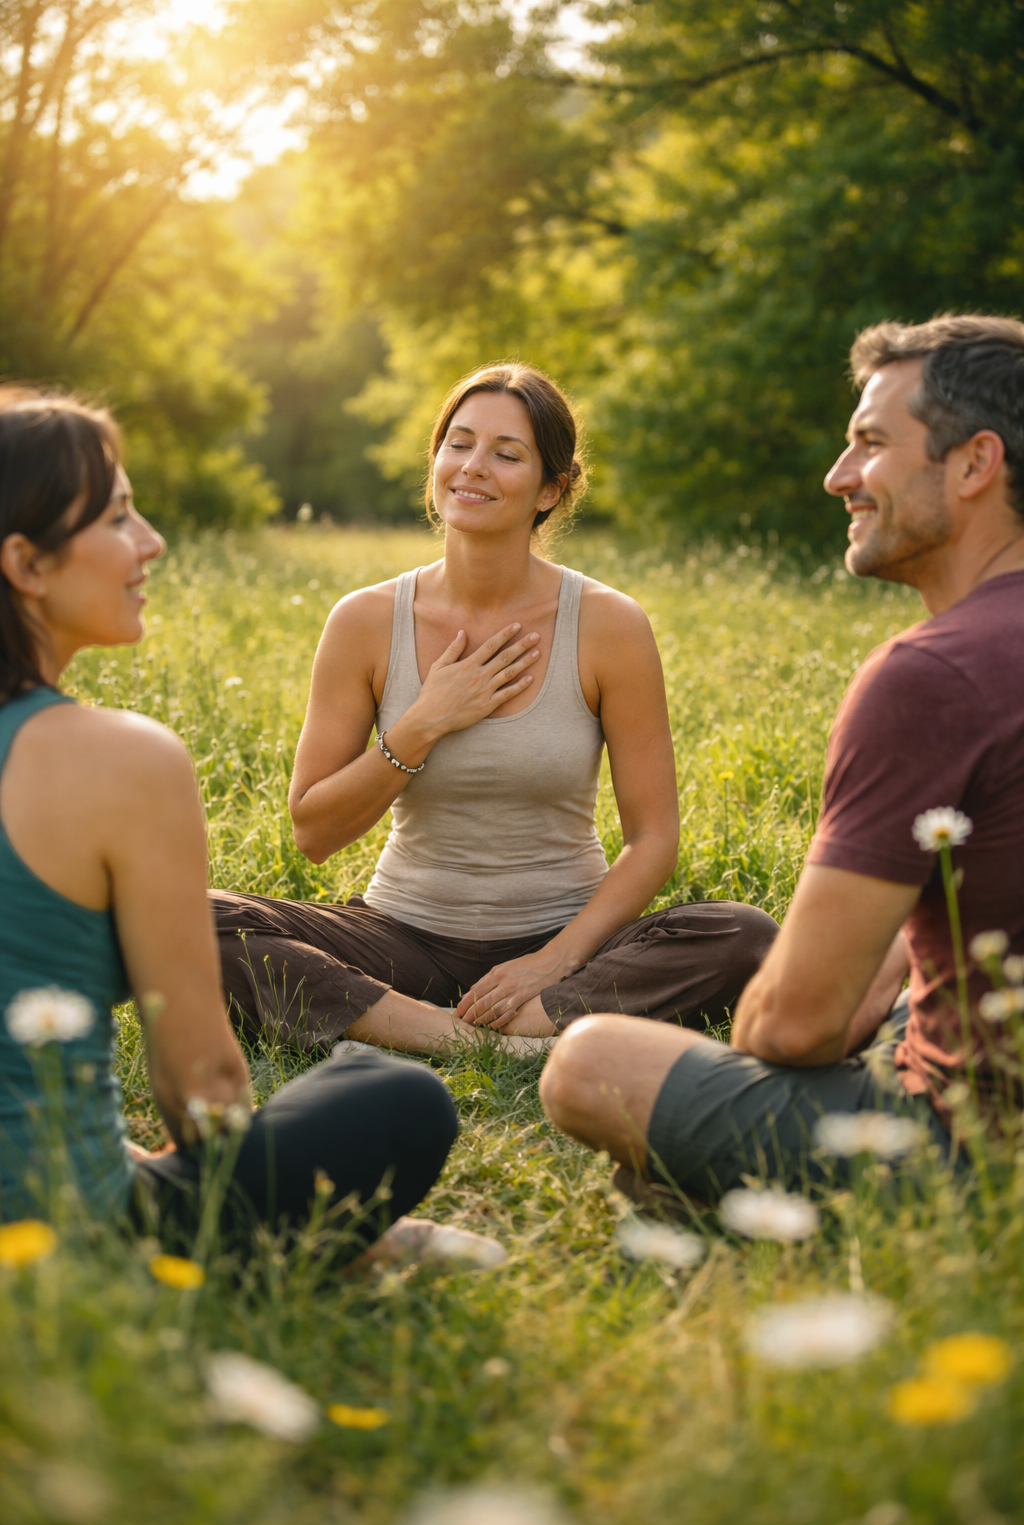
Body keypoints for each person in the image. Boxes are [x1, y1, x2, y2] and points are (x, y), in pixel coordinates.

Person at [0, 387, 494, 1268]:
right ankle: (324, 1244)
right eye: (118, 517)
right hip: (57, 1238)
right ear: (26, 566)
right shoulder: (124, 762)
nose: (151, 541)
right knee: (395, 1096)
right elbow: (204, 1091)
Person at [539, 315, 1024, 1201]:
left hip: (984, 1153)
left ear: (973, 463)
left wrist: (784, 1026)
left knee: (589, 1060)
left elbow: (793, 1029)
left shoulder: (933, 674)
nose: (838, 477)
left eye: (871, 444)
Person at [212, 364, 778, 1057]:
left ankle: (452, 1021)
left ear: (551, 488)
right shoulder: (363, 621)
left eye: (506, 454)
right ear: (435, 461)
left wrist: (556, 961)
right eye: (459, 443)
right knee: (192, 920)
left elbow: (653, 839)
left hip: (562, 937)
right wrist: (424, 722)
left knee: (743, 936)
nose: (473, 468)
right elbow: (314, 831)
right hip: (403, 937)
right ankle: (473, 1039)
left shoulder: (608, 625)